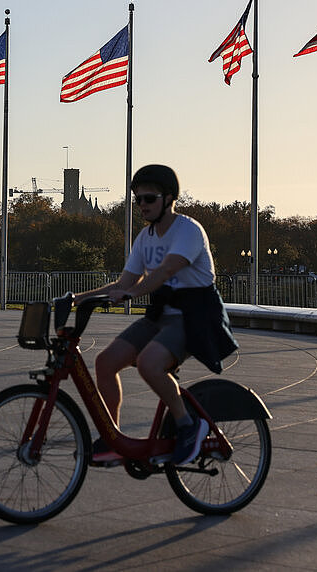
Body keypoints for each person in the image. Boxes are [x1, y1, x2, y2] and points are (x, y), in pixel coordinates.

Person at [73, 164, 236, 466]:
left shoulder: (188, 230)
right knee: (105, 363)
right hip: (161, 316)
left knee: (149, 363)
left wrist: (132, 293)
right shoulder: (145, 238)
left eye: (149, 199)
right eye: (138, 200)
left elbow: (166, 270)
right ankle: (113, 438)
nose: (142, 206)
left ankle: (189, 424)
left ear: (169, 198)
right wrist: (77, 298)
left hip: (194, 316)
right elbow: (123, 283)